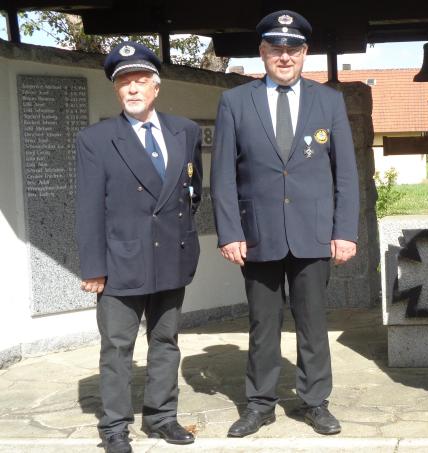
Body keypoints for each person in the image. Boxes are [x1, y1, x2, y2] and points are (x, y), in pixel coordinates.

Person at [211, 9, 359, 437]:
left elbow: (344, 173)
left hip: (313, 234)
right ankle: (259, 404)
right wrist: (230, 231)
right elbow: (222, 174)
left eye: (293, 49)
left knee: (313, 323)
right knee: (263, 325)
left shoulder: (328, 101)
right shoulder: (235, 101)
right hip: (257, 235)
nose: (285, 56)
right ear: (262, 53)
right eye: (276, 48)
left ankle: (315, 402)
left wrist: (344, 231)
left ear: (305, 53)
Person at [75, 41, 202, 453]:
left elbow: (191, 190)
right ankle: (114, 426)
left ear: (156, 87)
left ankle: (163, 417)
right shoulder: (96, 139)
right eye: (124, 82)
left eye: (140, 80)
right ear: (116, 90)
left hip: (170, 256)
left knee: (166, 343)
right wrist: (93, 267)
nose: (132, 89)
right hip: (120, 262)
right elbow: (89, 208)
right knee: (117, 348)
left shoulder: (184, 131)